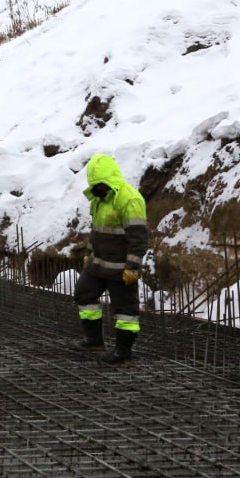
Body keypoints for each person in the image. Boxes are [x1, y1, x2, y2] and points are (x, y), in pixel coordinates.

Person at [73, 154, 148, 364]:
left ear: (111, 179)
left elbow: (138, 239)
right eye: (95, 184)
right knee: (84, 295)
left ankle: (123, 351)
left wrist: (132, 267)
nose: (99, 188)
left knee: (125, 312)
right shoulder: (99, 199)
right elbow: (97, 230)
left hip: (120, 267)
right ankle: (94, 339)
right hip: (97, 263)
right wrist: (89, 252)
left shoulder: (129, 200)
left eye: (102, 184)